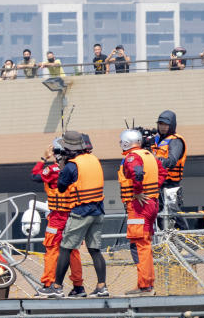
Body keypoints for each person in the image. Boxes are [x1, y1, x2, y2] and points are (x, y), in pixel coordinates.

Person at [38, 131, 109, 298]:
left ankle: (57, 287)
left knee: (65, 248)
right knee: (94, 249)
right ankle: (102, 286)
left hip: (81, 212)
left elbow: (62, 187)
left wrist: (62, 167)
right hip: (98, 210)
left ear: (68, 149)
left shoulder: (72, 166)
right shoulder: (94, 159)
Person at [31, 143, 85, 297]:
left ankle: (49, 284)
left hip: (57, 217)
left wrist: (43, 158)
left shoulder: (54, 170)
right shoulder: (76, 168)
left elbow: (35, 176)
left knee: (52, 249)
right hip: (74, 214)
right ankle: (78, 287)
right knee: (73, 251)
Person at [118, 129, 166, 295]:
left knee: (139, 246)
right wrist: (152, 188)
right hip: (151, 202)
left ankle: (144, 285)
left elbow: (137, 173)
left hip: (139, 206)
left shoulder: (132, 157)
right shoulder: (149, 155)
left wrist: (138, 191)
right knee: (144, 244)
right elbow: (163, 173)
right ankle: (147, 283)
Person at [152, 110, 188, 230]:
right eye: (160, 124)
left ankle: (187, 241)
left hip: (171, 185)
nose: (162, 127)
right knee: (158, 216)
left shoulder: (176, 141)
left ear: (172, 125)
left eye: (166, 124)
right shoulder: (155, 140)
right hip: (157, 184)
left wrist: (155, 160)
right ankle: (165, 243)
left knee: (174, 214)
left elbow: (172, 161)